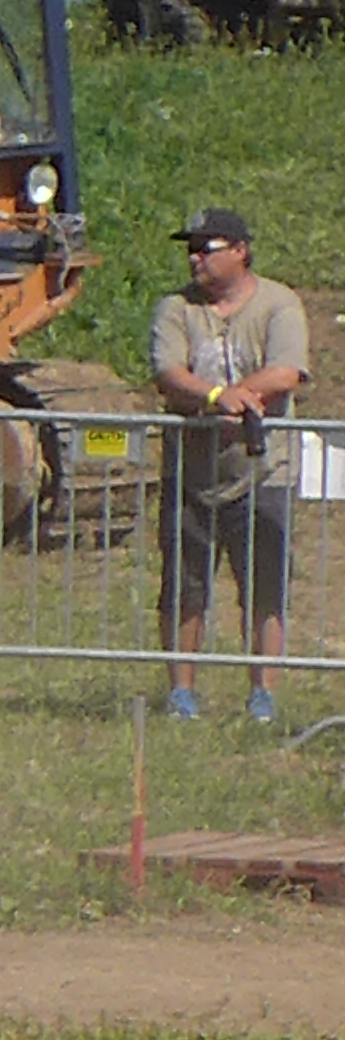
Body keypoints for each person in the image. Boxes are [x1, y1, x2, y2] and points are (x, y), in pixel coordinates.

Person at [150, 207, 308, 723]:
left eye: (206, 247)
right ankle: (182, 695)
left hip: (265, 472)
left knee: (264, 585)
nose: (194, 257)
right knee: (184, 586)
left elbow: (286, 371)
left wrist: (240, 395)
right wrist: (219, 395)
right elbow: (168, 371)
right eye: (189, 249)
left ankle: (262, 695)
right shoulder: (176, 308)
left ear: (240, 250)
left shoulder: (279, 303)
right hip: (191, 472)